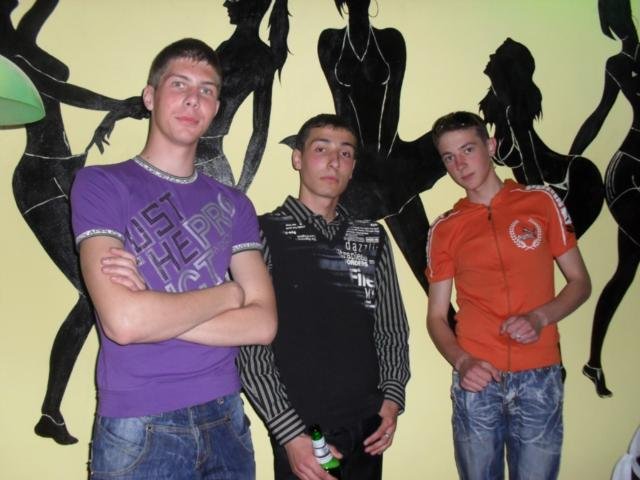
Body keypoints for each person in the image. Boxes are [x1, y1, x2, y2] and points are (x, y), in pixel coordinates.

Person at [70, 38, 277, 479]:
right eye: (179, 84)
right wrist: (229, 294)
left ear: (216, 107)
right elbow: (125, 323)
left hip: (227, 419)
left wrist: (154, 307)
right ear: (150, 96)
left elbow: (263, 324)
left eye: (206, 90)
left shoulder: (235, 204)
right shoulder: (100, 185)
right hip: (139, 424)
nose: (193, 99)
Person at [238, 114, 410, 480]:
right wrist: (288, 433)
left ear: (353, 166)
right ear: (297, 158)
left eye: (345, 153)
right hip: (302, 429)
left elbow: (392, 328)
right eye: (321, 149)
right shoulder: (261, 233)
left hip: (368, 427)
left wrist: (392, 399)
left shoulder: (371, 236)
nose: (334, 161)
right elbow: (249, 347)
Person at [425, 111, 591, 479]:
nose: (460, 164)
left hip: (540, 376)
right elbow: (436, 316)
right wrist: (462, 362)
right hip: (477, 378)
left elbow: (580, 282)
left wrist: (540, 317)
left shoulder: (541, 202)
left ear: (490, 145)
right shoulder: (445, 228)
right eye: (449, 157)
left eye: (468, 149)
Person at [569, 0, 640, 398]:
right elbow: (599, 116)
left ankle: (593, 361)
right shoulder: (617, 65)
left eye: (620, 12)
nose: (618, 22)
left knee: (625, 270)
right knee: (625, 270)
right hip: (628, 173)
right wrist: (572, 160)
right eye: (610, 17)